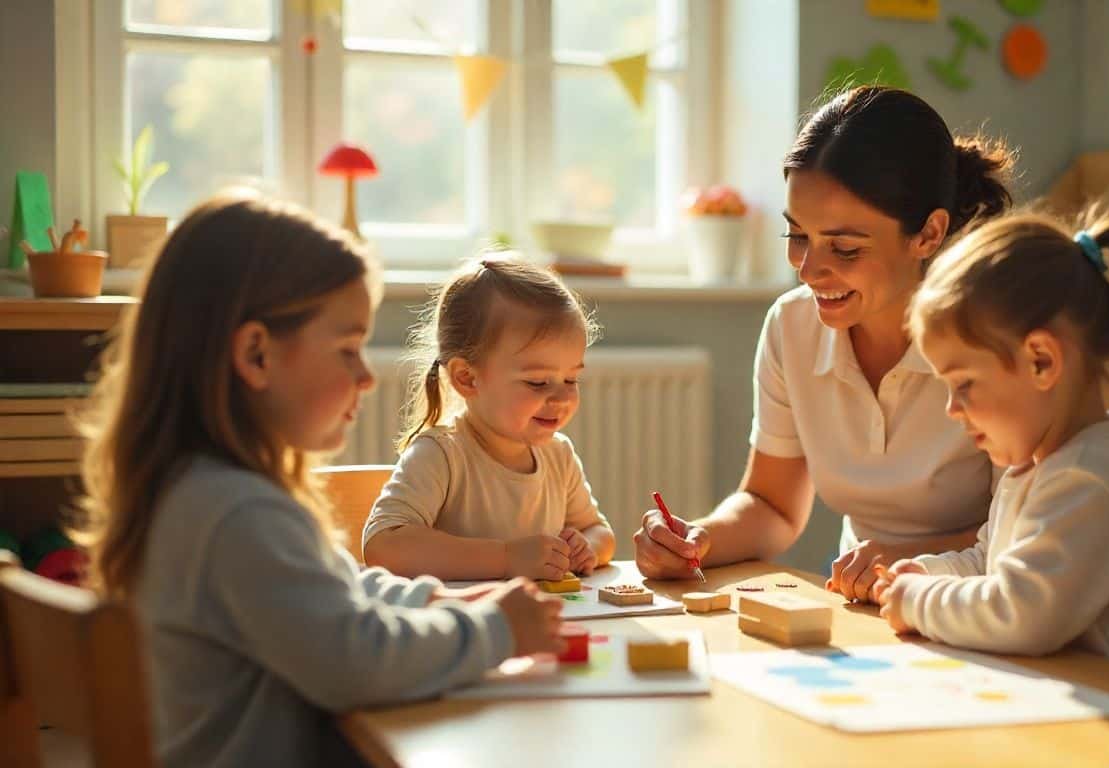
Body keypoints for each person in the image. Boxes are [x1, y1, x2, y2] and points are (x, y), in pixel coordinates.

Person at [77, 195, 565, 767]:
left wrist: (433, 597)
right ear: (256, 354)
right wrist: (492, 630)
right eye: (347, 349)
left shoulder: (205, 490)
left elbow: (341, 590)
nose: (366, 376)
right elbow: (356, 663)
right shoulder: (237, 513)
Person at [635, 85, 1012, 603]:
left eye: (844, 247)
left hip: (981, 607)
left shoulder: (995, 341)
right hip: (870, 609)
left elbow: (1024, 533)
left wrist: (910, 562)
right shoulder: (792, 329)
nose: (809, 270)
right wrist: (700, 539)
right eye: (797, 236)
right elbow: (772, 505)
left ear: (927, 234)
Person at [874, 209, 1109, 683]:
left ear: (1041, 361)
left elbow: (1022, 613)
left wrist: (917, 600)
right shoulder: (1033, 468)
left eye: (964, 384)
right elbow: (989, 565)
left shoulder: (1093, 478)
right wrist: (930, 573)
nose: (952, 408)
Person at [362, 258, 615, 581]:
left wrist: (587, 547)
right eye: (538, 382)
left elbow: (598, 530)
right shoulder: (441, 454)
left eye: (571, 380)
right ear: (467, 378)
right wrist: (506, 558)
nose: (562, 398)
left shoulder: (559, 455)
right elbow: (384, 545)